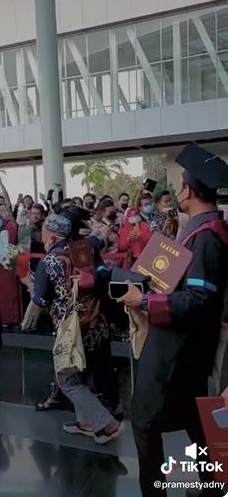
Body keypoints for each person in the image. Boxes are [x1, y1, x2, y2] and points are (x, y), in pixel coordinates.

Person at [118, 143, 228, 497]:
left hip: (176, 347)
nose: (177, 192)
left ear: (190, 191)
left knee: (146, 422)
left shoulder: (208, 238)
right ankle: (213, 484)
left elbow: (199, 299)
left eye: (180, 185)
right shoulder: (203, 229)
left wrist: (145, 300)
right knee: (194, 416)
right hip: (187, 345)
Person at [29, 214, 124, 443]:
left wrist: (27, 280)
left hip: (71, 331)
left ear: (50, 236)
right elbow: (99, 246)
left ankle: (108, 425)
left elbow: (40, 300)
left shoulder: (49, 261)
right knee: (80, 374)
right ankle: (86, 423)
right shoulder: (84, 248)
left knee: (68, 380)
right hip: (95, 323)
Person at [0, 205, 21, 328]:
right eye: (1, 210)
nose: (4, 212)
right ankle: (4, 318)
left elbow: (18, 240)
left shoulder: (13, 225)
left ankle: (14, 317)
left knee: (12, 289)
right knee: (1, 291)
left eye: (6, 210)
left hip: (11, 257)